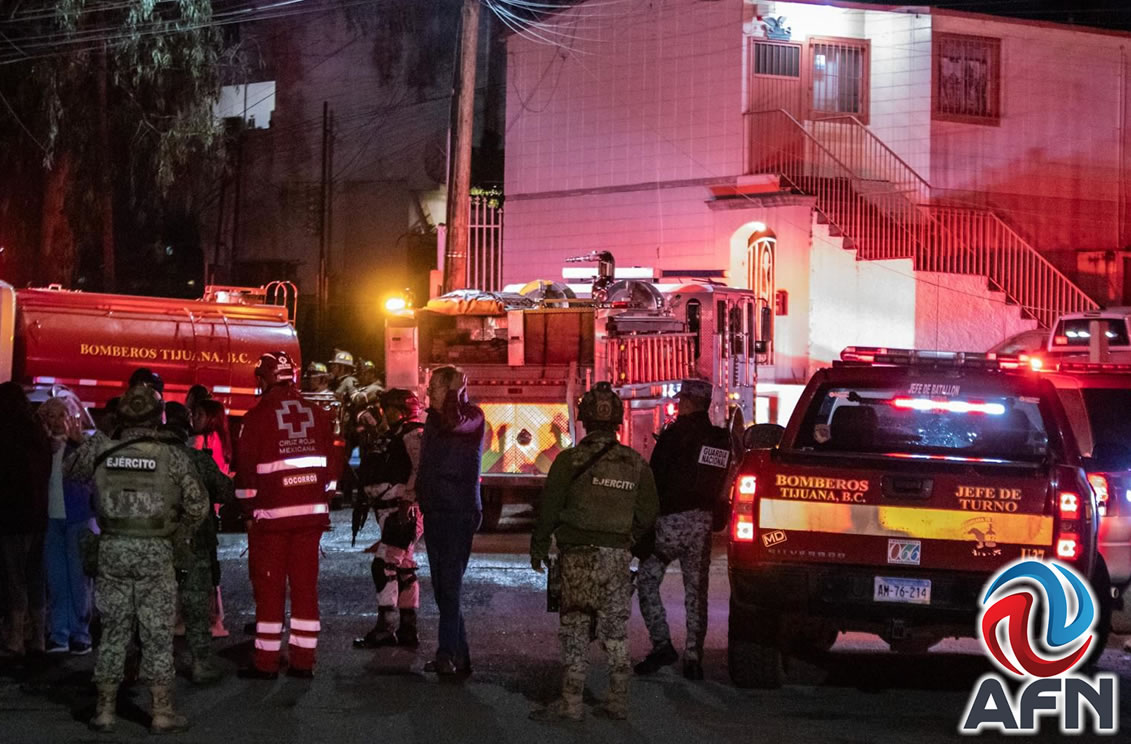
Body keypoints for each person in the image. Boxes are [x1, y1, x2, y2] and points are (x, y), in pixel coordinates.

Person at [65, 384, 208, 733]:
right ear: (158, 418)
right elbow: (198, 506)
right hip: (156, 551)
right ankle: (161, 712)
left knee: (113, 631)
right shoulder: (172, 456)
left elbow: (72, 472)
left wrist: (89, 440)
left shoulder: (102, 448)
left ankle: (105, 711)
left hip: (112, 547)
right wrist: (179, 533)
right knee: (157, 633)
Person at [529, 381, 658, 721]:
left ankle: (571, 703)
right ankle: (618, 699)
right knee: (614, 629)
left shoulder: (570, 461)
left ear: (584, 420)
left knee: (574, 625)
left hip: (577, 557)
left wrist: (539, 546)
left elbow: (550, 507)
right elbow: (647, 513)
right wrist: (624, 538)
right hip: (616, 557)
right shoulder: (635, 463)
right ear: (618, 420)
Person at [235, 351, 336, 680]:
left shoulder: (257, 418)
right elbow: (332, 471)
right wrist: (321, 497)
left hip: (272, 521)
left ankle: (266, 663)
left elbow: (247, 475)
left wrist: (248, 511)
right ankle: (303, 662)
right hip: (310, 520)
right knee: (306, 589)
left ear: (263, 379)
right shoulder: (318, 414)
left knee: (270, 590)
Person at [634, 379, 730, 680]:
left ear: (688, 401)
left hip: (670, 523)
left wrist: (645, 525)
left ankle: (662, 644)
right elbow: (726, 481)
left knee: (647, 580)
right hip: (701, 524)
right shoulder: (720, 439)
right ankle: (693, 657)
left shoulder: (674, 435)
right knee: (696, 592)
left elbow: (655, 481)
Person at [416, 365, 485, 676]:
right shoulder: (434, 419)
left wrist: (455, 393)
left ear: (454, 389)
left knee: (450, 586)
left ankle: (446, 653)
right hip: (435, 509)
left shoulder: (472, 416)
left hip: (458, 511)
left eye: (434, 385)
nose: (428, 390)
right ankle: (460, 655)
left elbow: (453, 422)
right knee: (444, 586)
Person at [160, 402, 234, 684]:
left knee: (155, 606)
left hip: (157, 542)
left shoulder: (153, 459)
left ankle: (150, 664)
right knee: (195, 604)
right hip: (195, 543)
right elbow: (225, 492)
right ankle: (200, 662)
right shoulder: (198, 459)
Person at [352, 389, 425, 650]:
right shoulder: (396, 433)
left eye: (389, 408)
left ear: (403, 409)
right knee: (404, 567)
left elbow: (419, 468)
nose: (385, 413)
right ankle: (408, 628)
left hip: (402, 511)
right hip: (392, 510)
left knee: (383, 565)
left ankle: (387, 626)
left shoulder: (412, 432)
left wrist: (408, 500)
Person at [38, 393, 95, 656]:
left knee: (78, 579)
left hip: (78, 517)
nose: (56, 420)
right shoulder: (43, 446)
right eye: (50, 415)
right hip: (52, 520)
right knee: (57, 579)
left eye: (61, 415)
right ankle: (59, 633)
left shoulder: (83, 444)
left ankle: (80, 634)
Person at [0, 382, 52, 658]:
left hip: (11, 516)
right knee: (34, 575)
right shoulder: (37, 433)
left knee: (14, 577)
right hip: (37, 516)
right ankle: (39, 638)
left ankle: (16, 637)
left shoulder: (5, 434)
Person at [192, 399, 232, 476]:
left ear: (212, 418)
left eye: (200, 415)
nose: (195, 418)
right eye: (194, 414)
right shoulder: (222, 438)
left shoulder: (201, 439)